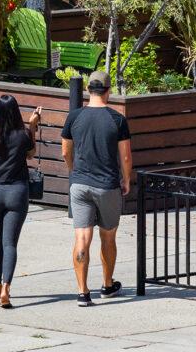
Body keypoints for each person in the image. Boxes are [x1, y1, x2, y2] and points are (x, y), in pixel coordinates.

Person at [61, 71, 133, 307]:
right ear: (108, 91)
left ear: (88, 91)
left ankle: (82, 292)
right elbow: (125, 156)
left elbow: (65, 151)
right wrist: (126, 180)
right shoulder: (117, 119)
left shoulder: (74, 117)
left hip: (79, 184)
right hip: (107, 185)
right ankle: (107, 285)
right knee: (108, 236)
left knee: (82, 237)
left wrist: (74, 172)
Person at [0, 94, 41, 309]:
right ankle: (7, 287)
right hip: (17, 190)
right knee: (10, 243)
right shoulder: (22, 135)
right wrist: (32, 127)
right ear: (16, 112)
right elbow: (31, 154)